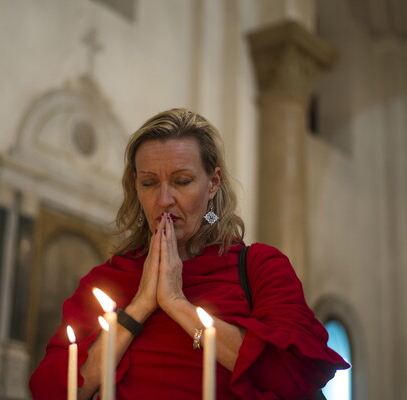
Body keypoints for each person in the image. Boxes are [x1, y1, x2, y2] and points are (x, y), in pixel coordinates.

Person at [29, 108, 349, 399]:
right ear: (134, 187)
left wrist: (177, 304)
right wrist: (140, 305)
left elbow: (294, 375)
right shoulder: (106, 280)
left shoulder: (260, 266)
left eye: (182, 181)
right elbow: (55, 391)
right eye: (149, 183)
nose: (164, 199)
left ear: (213, 183)